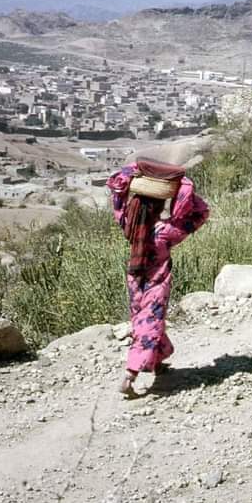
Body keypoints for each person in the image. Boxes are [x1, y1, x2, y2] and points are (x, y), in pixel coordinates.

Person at [106, 158, 209, 396]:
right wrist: (182, 186)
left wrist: (132, 173)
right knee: (150, 324)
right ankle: (130, 375)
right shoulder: (164, 232)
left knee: (143, 321)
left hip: (134, 280)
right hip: (155, 284)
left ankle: (158, 364)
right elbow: (201, 212)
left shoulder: (129, 226)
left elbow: (118, 196)